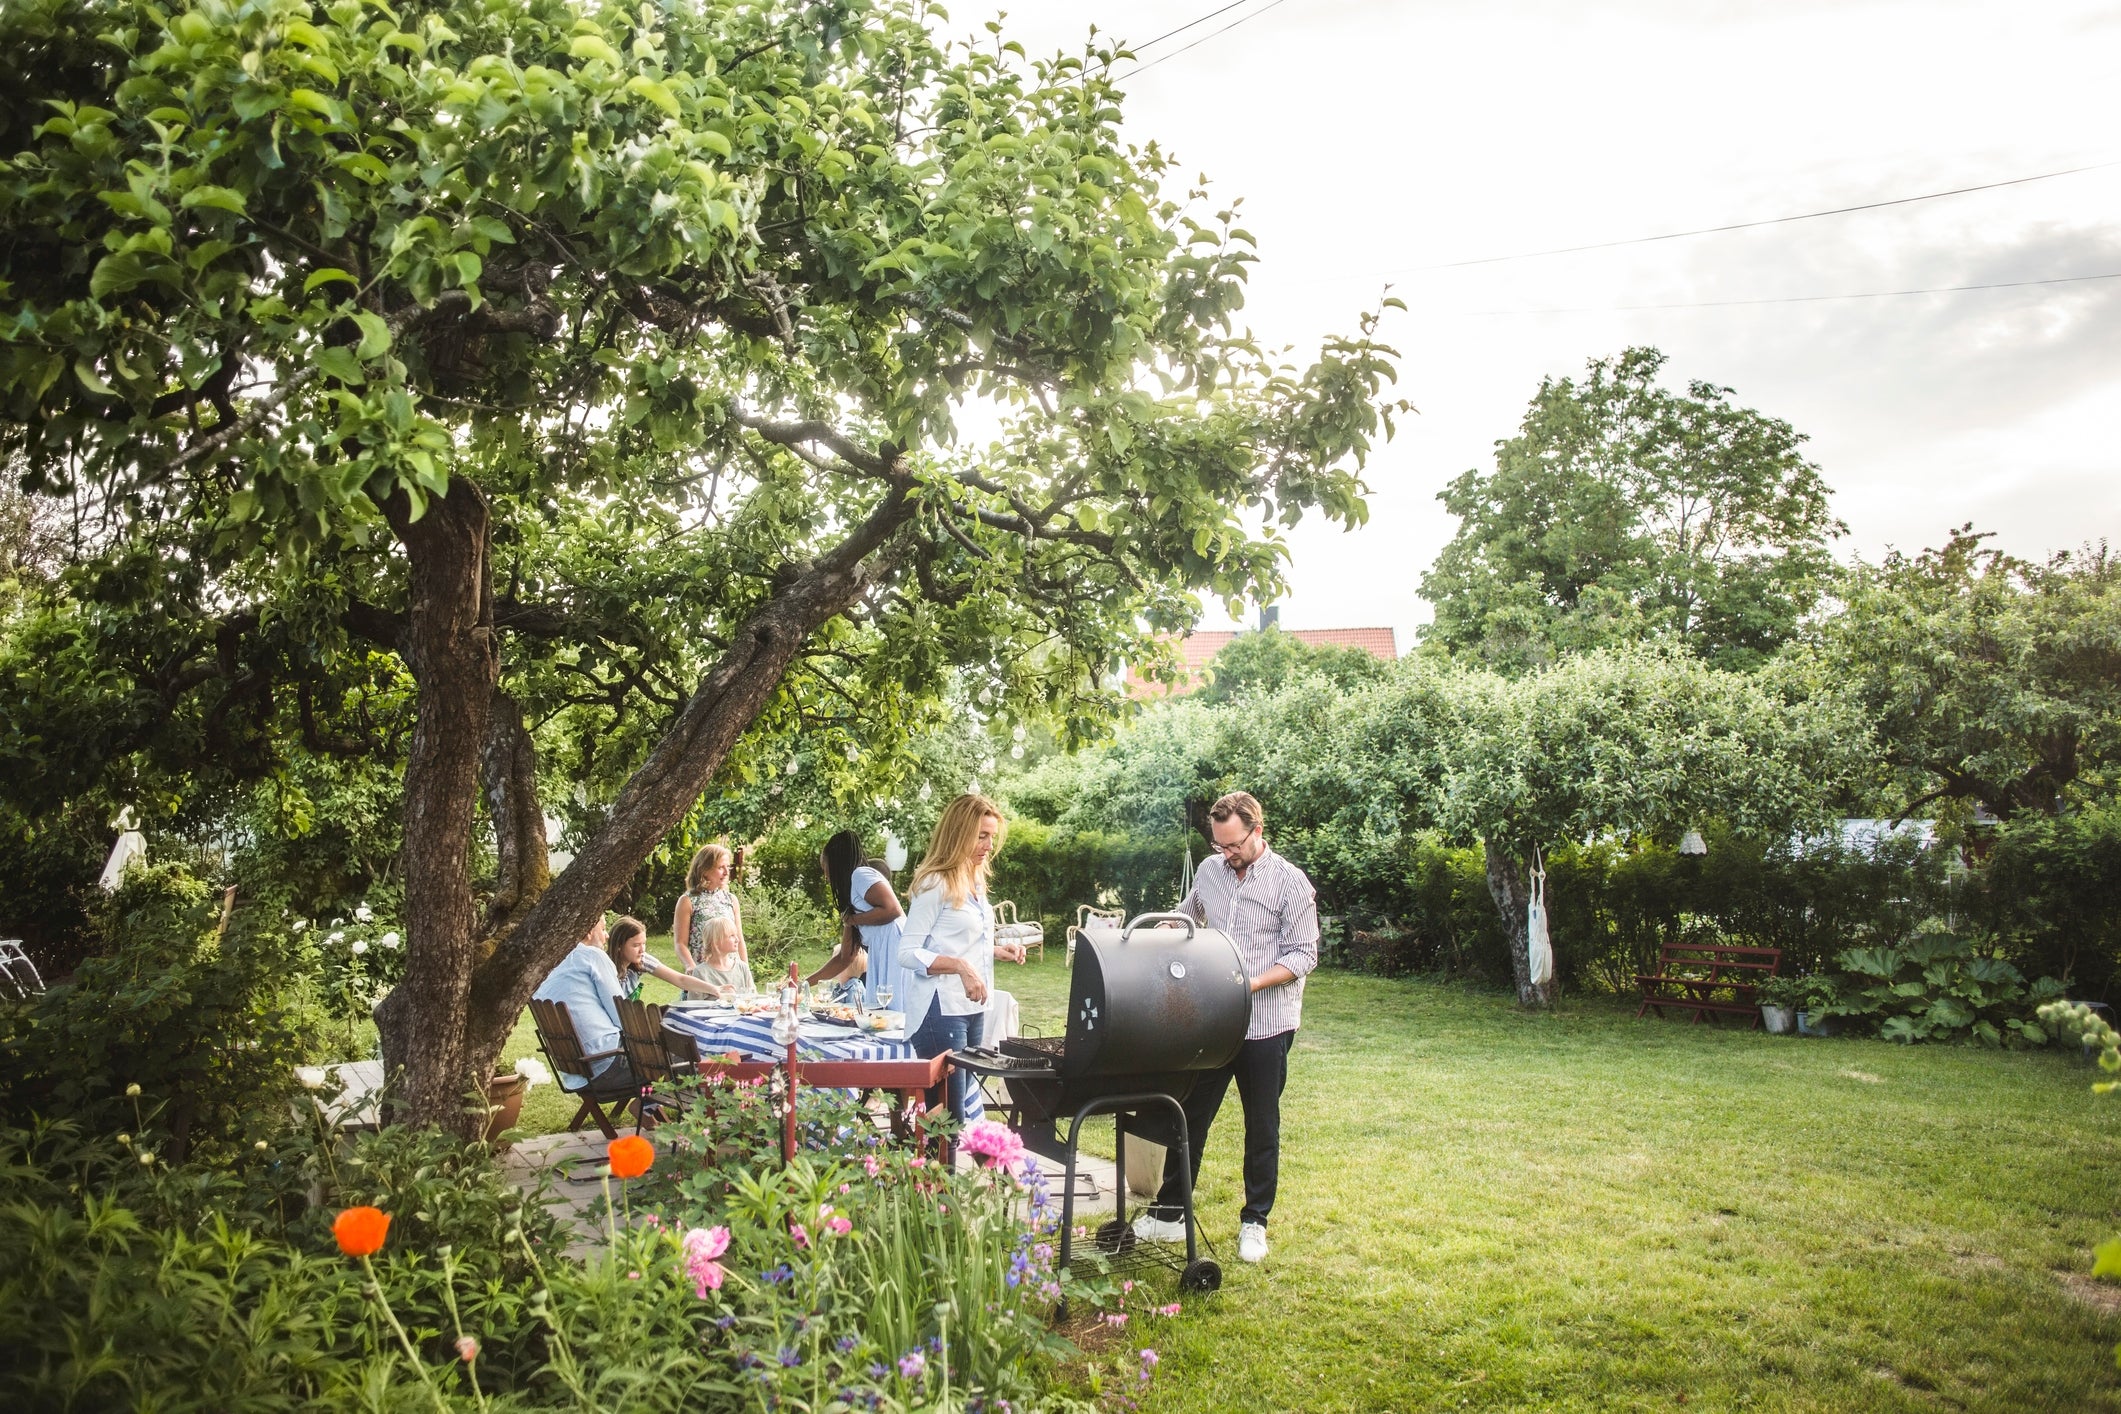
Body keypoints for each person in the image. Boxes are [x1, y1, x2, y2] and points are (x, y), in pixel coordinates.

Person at [1133, 791, 1318, 1266]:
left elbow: (1303, 955)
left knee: (1261, 1125)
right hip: (1214, 1024)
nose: (1226, 854)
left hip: (1268, 1023)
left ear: (1257, 831)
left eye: (1233, 845)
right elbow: (1189, 916)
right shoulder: (1211, 871)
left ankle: (1255, 1222)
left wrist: (1247, 984)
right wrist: (1152, 934)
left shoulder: (1290, 883)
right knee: (1191, 1114)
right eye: (1219, 845)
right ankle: (1172, 1213)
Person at [897, 793, 1025, 1120]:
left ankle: (939, 1169)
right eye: (981, 835)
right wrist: (960, 966)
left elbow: (959, 940)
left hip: (972, 1007)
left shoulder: (975, 883)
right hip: (939, 1010)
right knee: (949, 1118)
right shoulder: (934, 883)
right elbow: (907, 953)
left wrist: (998, 950)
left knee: (959, 1113)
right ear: (959, 833)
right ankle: (929, 1169)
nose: (987, 845)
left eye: (991, 837)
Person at [531, 917, 637, 1094]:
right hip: (607, 1066)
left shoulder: (548, 963)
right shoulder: (591, 956)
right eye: (603, 929)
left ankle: (648, 1108)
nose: (607, 936)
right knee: (683, 1056)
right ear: (588, 932)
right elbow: (622, 1016)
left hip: (575, 1074)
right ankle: (655, 1110)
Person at [807, 830, 884, 1003]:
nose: (826, 878)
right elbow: (845, 957)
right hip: (879, 967)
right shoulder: (853, 898)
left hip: (892, 963)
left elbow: (893, 910)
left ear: (836, 866)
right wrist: (803, 984)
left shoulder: (861, 875)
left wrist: (854, 920)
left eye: (825, 870)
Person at [604, 915, 723, 1000]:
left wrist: (714, 989)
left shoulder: (642, 959)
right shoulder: (605, 966)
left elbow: (680, 979)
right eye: (636, 945)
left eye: (644, 943)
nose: (642, 950)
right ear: (619, 945)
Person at [673, 842, 746, 975]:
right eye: (720, 867)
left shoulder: (731, 900)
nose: (726, 872)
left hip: (732, 973)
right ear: (704, 870)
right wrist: (691, 968)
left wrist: (746, 973)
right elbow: (680, 943)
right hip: (704, 974)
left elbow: (739, 940)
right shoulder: (688, 901)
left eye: (727, 867)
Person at [689, 915, 756, 997]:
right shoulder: (700, 972)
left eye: (736, 935)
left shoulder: (742, 968)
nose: (737, 940)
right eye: (731, 936)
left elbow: (753, 998)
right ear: (716, 942)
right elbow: (693, 1006)